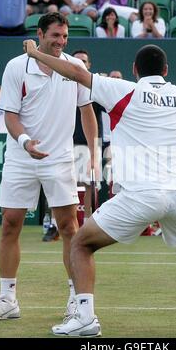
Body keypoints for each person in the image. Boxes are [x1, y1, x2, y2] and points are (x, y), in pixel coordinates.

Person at [23, 41, 176, 337]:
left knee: (80, 245)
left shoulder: (123, 90)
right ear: (166, 70)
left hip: (141, 196)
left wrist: (35, 54)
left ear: (135, 70)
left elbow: (76, 72)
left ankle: (85, 317)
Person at [0, 12, 98, 321]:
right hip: (22, 155)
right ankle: (7, 298)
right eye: (55, 36)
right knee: (10, 224)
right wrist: (26, 142)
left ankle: (75, 299)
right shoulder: (16, 67)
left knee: (69, 228)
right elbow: (10, 116)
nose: (61, 42)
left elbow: (87, 112)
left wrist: (93, 153)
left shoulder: (75, 68)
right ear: (40, 34)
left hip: (60, 158)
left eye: (65, 37)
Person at [72, 49, 103, 222]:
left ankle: (87, 221)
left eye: (83, 61)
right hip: (66, 141)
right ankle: (54, 225)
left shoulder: (96, 86)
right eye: (76, 61)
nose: (80, 64)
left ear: (89, 65)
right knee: (64, 184)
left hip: (90, 144)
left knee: (88, 184)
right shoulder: (61, 84)